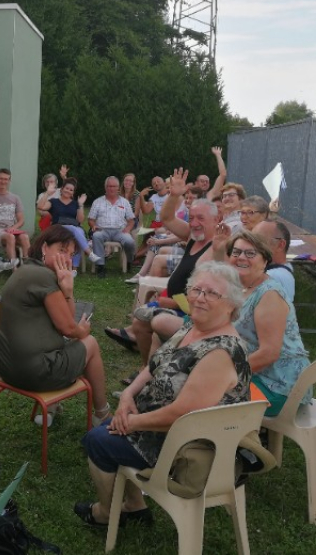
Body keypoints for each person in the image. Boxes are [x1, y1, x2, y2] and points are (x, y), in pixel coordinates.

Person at [75, 261, 251, 527]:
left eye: (212, 293)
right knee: (104, 434)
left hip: (182, 444)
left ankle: (104, 513)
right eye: (196, 289)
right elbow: (154, 364)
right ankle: (134, 505)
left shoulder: (221, 353)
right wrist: (127, 396)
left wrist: (129, 422)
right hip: (160, 423)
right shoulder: (194, 326)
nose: (200, 298)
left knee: (98, 440)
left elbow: (182, 415)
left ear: (232, 306)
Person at [0, 226, 110, 427]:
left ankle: (52, 407)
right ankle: (103, 413)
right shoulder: (42, 277)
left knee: (67, 343)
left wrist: (67, 290)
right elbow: (68, 328)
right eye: (62, 250)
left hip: (8, 369)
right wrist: (82, 330)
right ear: (45, 248)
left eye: (71, 254)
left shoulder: (28, 269)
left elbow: (65, 321)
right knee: (89, 342)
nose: (66, 259)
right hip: (33, 373)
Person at [106, 168, 217, 366]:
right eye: (192, 218)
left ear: (216, 220)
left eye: (201, 219)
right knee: (139, 323)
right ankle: (145, 371)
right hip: (176, 301)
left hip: (189, 310)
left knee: (150, 321)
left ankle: (150, 374)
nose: (195, 223)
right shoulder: (193, 236)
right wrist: (174, 196)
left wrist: (172, 302)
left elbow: (204, 295)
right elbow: (167, 218)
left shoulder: (216, 247)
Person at [225, 231, 311, 416]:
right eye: (236, 252)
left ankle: (241, 441)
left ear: (264, 261)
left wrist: (226, 373)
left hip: (280, 386)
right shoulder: (241, 287)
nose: (241, 257)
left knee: (207, 393)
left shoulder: (268, 294)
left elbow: (269, 353)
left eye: (250, 253)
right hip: (256, 374)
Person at [37, 177, 103, 270]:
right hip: (58, 228)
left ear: (73, 192)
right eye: (67, 188)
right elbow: (40, 206)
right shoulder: (54, 202)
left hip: (74, 228)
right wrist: (47, 193)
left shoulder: (75, 203)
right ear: (62, 189)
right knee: (75, 230)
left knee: (77, 232)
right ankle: (89, 253)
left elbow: (80, 220)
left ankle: (74, 269)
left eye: (71, 190)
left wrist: (80, 204)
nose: (68, 191)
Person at [88, 177, 136, 279]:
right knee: (96, 236)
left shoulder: (124, 202)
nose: (111, 189)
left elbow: (131, 220)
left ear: (118, 188)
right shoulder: (98, 201)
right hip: (103, 229)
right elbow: (91, 219)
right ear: (105, 187)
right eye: (109, 186)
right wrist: (93, 225)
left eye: (114, 186)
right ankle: (100, 266)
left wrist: (128, 229)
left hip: (120, 230)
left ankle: (129, 261)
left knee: (130, 241)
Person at [254, 219, 295, 302]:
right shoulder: (281, 271)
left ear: (280, 245)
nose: (251, 245)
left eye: (258, 240)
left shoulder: (273, 277)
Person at [37, 166, 68, 231]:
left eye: (51, 182)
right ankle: (46, 238)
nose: (49, 183)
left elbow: (67, 186)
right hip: (47, 218)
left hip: (61, 217)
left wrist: (64, 177)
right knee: (46, 219)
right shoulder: (42, 195)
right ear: (44, 183)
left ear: (56, 183)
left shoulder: (60, 191)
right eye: (47, 182)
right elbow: (39, 210)